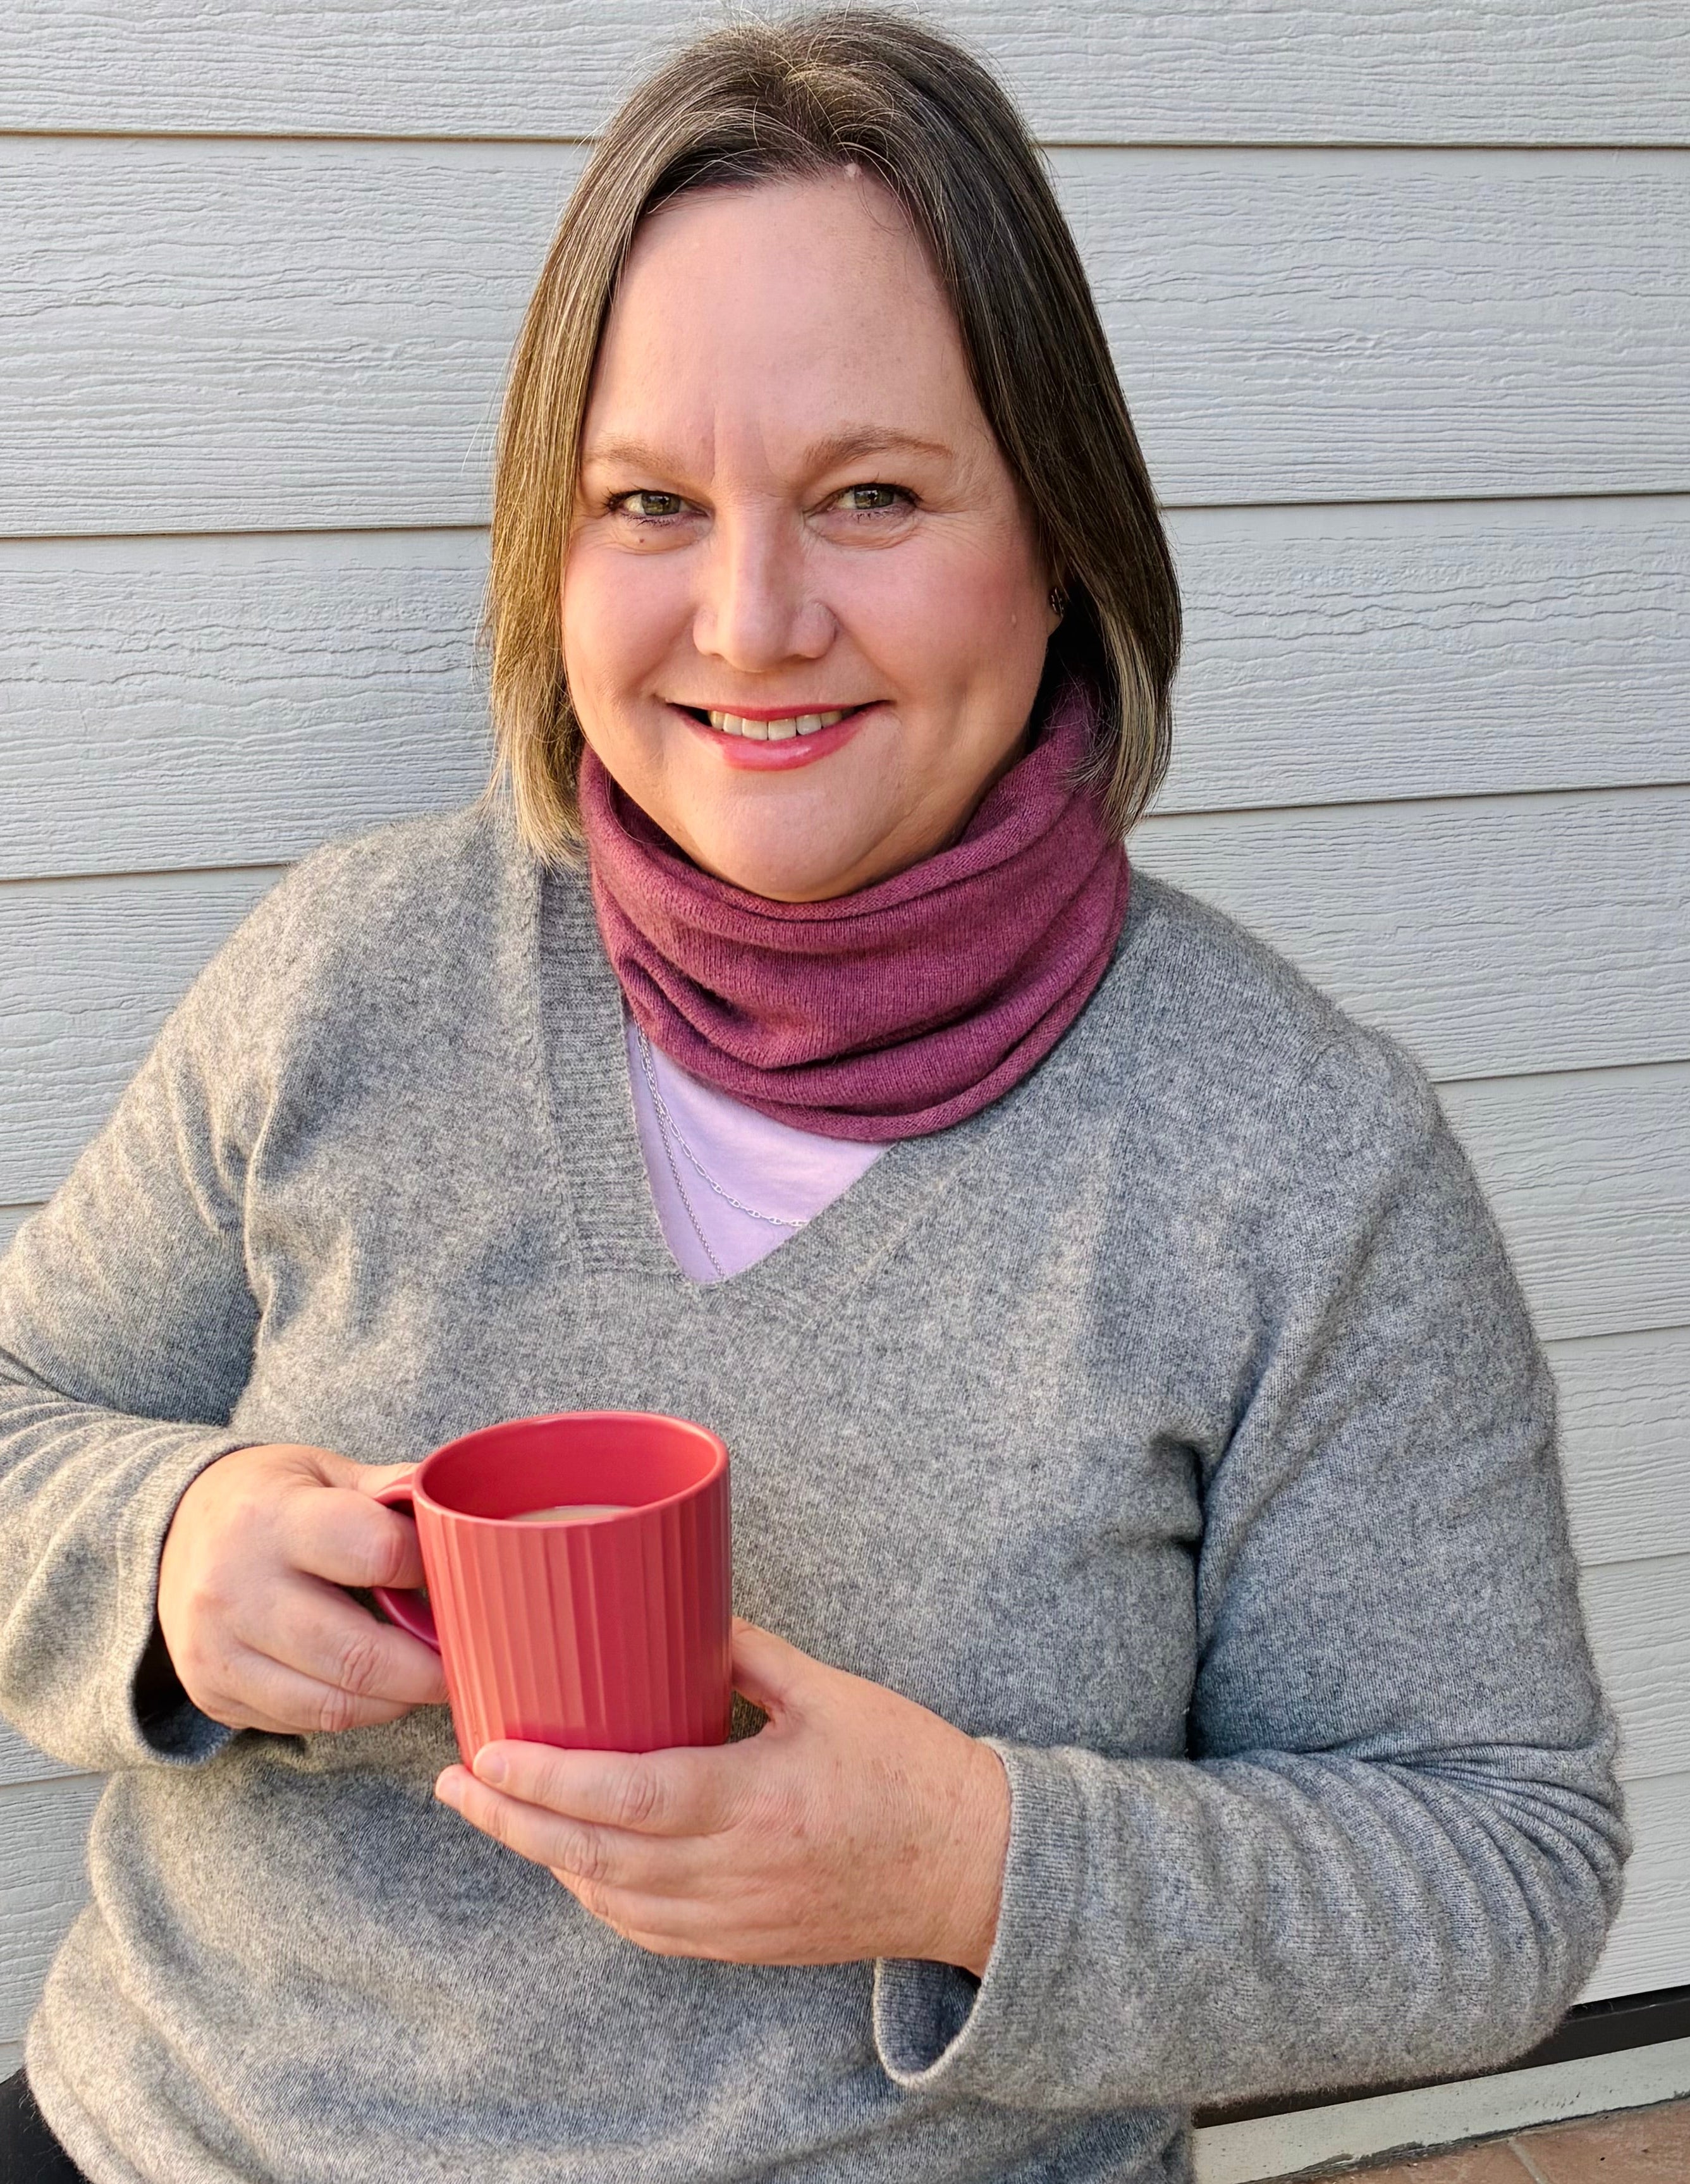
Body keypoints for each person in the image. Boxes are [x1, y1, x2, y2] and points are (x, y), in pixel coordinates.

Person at [0, 12, 1626, 2182]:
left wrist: (971, 1860)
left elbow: (1493, 1872)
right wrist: (169, 1548)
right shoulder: (350, 974)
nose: (752, 621)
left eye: (869, 495)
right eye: (649, 504)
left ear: (1056, 537)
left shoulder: (1295, 1167)